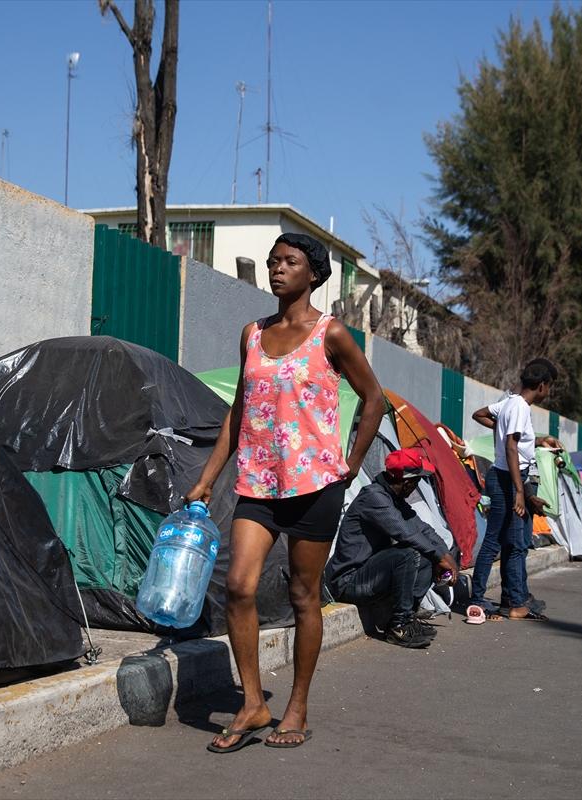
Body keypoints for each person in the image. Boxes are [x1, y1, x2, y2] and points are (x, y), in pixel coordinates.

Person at [186, 233, 383, 753]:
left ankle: (296, 705)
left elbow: (374, 399)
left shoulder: (331, 334)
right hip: (258, 481)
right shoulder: (251, 333)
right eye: (273, 262)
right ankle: (253, 703)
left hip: (315, 486)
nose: (277, 269)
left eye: (289, 262)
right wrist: (207, 478)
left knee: (302, 595)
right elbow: (239, 411)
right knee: (239, 586)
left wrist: (350, 463)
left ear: (312, 274)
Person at [323, 449, 459, 648]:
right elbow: (406, 533)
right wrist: (439, 556)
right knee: (409, 554)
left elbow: (422, 528)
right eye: (417, 481)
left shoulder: (392, 499)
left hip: (368, 576)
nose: (416, 487)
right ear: (407, 482)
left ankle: (407, 616)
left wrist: (445, 556)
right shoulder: (374, 498)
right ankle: (398, 625)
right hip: (347, 581)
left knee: (427, 554)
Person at [467, 359, 557, 621]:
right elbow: (511, 447)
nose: (548, 391)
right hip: (508, 479)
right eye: (549, 387)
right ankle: (491, 602)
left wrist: (534, 440)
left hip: (507, 477)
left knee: (506, 542)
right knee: (503, 542)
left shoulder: (509, 402)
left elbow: (480, 414)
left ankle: (503, 601)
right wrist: (520, 491)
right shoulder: (519, 406)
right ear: (542, 386)